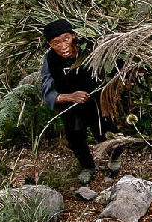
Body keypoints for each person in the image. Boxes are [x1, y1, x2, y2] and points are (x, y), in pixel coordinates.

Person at [40, 19, 120, 184]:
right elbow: (46, 90)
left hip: (98, 102)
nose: (63, 46)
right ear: (50, 45)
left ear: (74, 36)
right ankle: (87, 166)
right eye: (56, 43)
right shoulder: (50, 60)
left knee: (106, 130)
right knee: (75, 137)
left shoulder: (90, 50)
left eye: (66, 39)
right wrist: (70, 97)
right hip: (72, 107)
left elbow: (115, 67)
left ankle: (114, 157)